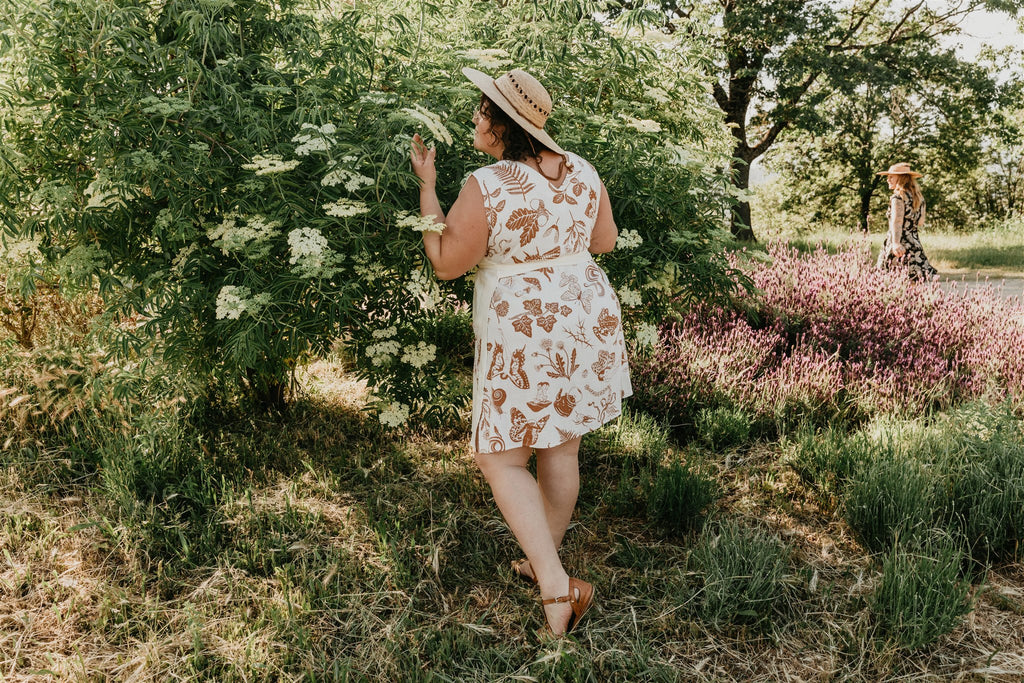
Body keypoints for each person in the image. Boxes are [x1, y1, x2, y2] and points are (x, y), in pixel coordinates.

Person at [408, 67, 632, 637]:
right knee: (560, 449)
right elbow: (603, 242)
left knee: (500, 456)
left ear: (503, 123)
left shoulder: (488, 184)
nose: (475, 118)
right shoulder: (582, 170)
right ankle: (544, 561)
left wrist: (427, 187)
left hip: (528, 328)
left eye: (482, 111)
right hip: (584, 319)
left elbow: (446, 263)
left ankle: (557, 588)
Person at [876, 162, 938, 282]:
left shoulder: (898, 197)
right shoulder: (919, 198)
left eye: (891, 177)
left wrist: (895, 243)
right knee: (914, 283)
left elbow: (897, 222)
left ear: (901, 178)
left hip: (899, 245)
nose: (888, 180)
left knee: (889, 282)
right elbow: (920, 222)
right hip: (914, 245)